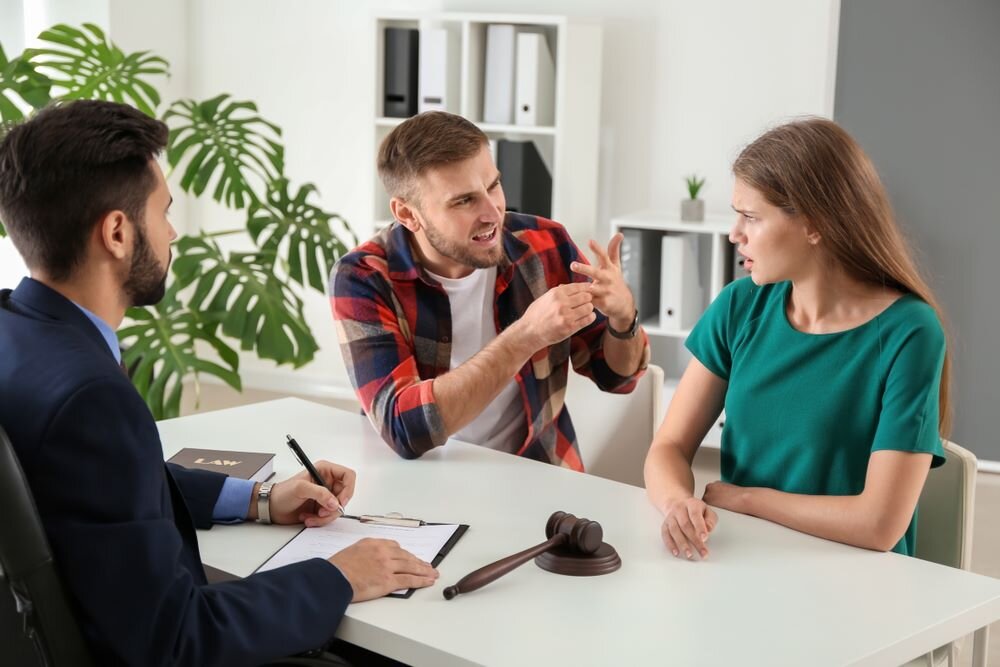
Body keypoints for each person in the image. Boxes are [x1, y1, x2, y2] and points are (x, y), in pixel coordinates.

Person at [0, 100, 437, 666]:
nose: (174, 232)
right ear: (116, 232)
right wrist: (338, 576)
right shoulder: (91, 397)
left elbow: (100, 488)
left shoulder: (17, 332)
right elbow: (175, 639)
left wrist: (257, 499)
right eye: (164, 212)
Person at [643, 118, 949, 560]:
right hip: (747, 560)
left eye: (751, 216)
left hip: (859, 585)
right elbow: (668, 448)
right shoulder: (739, 307)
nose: (735, 233)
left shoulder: (911, 333)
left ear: (815, 224)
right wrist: (677, 504)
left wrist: (748, 499)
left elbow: (880, 524)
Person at [330, 111, 650, 469]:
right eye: (464, 200)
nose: (493, 212)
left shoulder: (546, 244)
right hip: (417, 482)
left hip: (540, 471)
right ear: (407, 214)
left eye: (493, 185)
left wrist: (624, 319)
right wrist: (527, 335)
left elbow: (617, 378)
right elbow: (406, 428)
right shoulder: (363, 277)